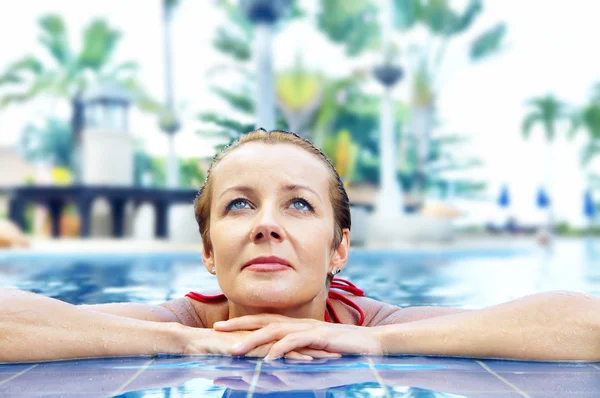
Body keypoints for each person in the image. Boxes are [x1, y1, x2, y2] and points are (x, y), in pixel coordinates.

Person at [1, 129, 599, 363]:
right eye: (239, 204)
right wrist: (186, 339)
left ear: (339, 249)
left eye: (298, 204)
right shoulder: (183, 317)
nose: (266, 225)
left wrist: (377, 339)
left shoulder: (370, 319)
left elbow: (586, 325)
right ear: (209, 252)